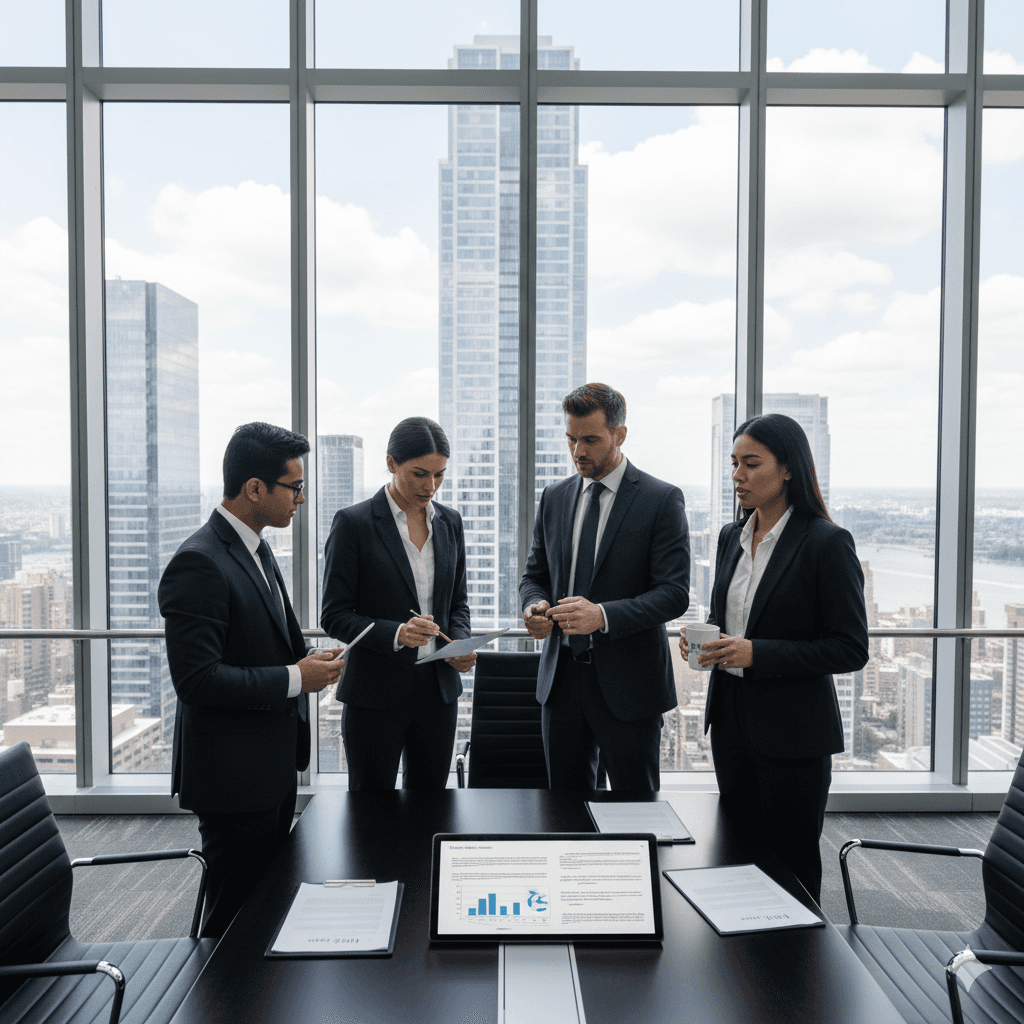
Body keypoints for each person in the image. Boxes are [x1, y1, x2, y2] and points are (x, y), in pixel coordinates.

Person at [158, 421, 344, 937]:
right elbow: (198, 681)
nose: (301, 499)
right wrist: (294, 677)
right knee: (234, 917)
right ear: (255, 488)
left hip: (269, 764)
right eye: (295, 487)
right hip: (232, 777)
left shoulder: (255, 548)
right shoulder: (199, 562)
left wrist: (308, 661)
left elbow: (260, 642)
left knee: (262, 906)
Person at [686, 413, 869, 903]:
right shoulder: (731, 536)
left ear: (788, 469)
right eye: (733, 464)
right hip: (731, 727)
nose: (737, 476)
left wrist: (754, 653)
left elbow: (850, 647)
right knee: (739, 854)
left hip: (794, 735)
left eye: (751, 464)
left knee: (790, 864)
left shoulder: (826, 543)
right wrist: (705, 643)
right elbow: (725, 614)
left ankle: (797, 971)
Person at [520, 383, 690, 792]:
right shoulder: (555, 496)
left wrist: (603, 616)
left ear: (620, 434)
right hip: (560, 684)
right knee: (564, 814)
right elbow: (534, 575)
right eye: (571, 439)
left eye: (590, 439)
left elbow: (674, 592)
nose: (578, 450)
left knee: (635, 816)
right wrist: (535, 605)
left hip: (630, 686)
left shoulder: (661, 499)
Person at [320, 416, 475, 790]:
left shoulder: (450, 522)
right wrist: (397, 634)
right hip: (374, 693)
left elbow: (458, 603)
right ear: (391, 463)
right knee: (371, 816)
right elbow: (334, 615)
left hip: (438, 694)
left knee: (431, 809)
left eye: (439, 475)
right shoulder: (353, 524)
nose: (430, 487)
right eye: (420, 474)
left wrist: (460, 642)